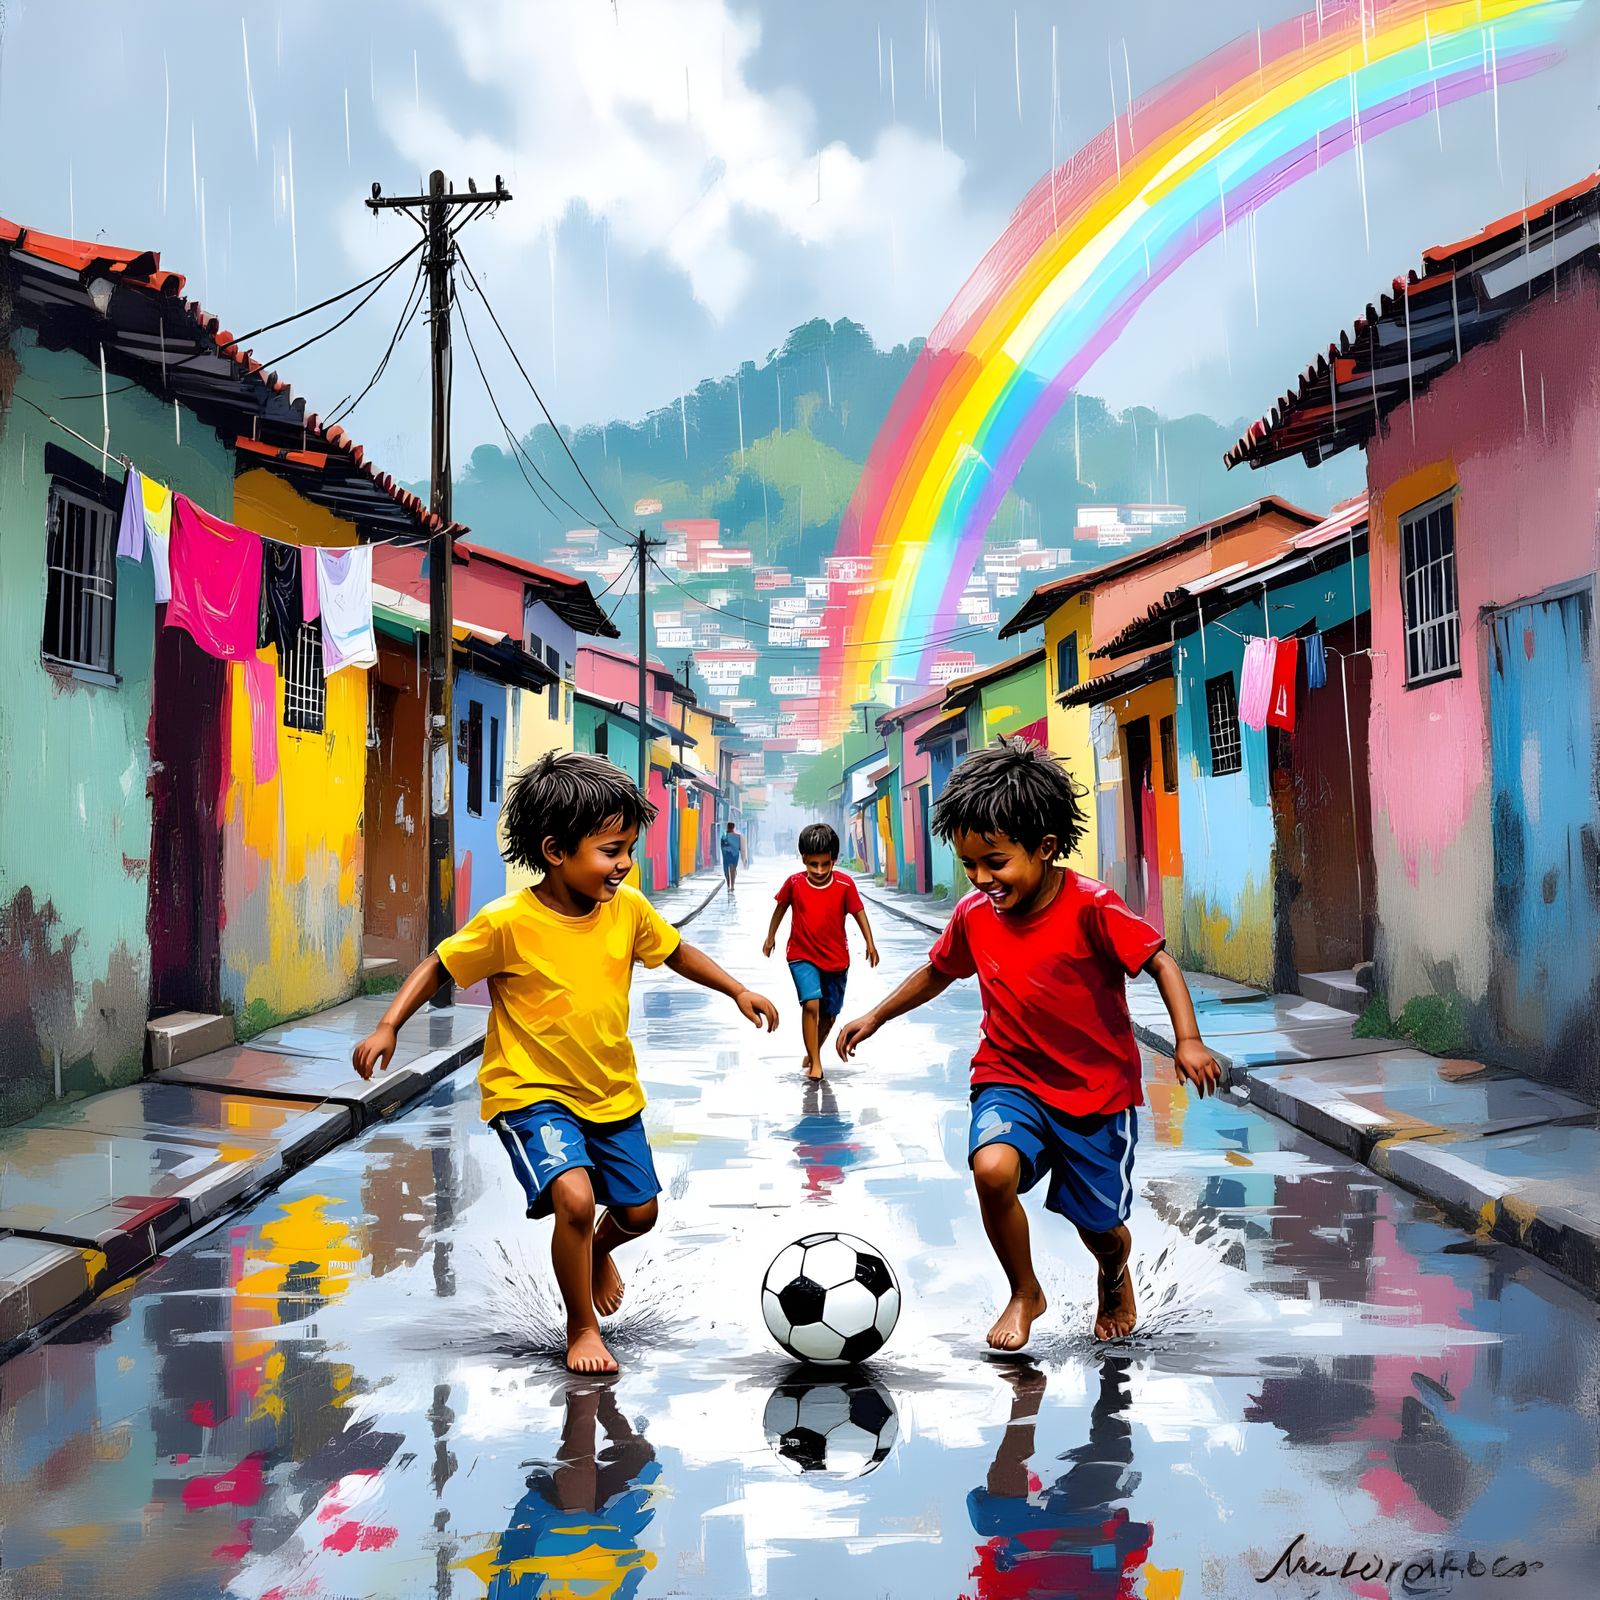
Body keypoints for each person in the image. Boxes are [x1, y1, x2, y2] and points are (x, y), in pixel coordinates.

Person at [351, 751, 778, 1375]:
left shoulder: (627, 909)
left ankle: (599, 1251)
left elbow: (676, 951)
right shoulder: (508, 923)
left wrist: (737, 988)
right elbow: (440, 964)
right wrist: (389, 1024)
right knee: (574, 1200)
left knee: (639, 1213)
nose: (624, 864)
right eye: (611, 850)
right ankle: (581, 1328)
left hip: (610, 1091)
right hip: (529, 1093)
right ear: (555, 851)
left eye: (628, 847)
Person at [835, 739, 1220, 1349]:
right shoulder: (973, 913)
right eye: (969, 865)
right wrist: (876, 1015)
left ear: (1043, 848)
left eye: (995, 862)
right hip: (1008, 1079)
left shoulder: (1094, 906)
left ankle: (1113, 1271)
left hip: (1096, 1095)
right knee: (992, 1169)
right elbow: (940, 969)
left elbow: (1161, 963)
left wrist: (1188, 1040)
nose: (982, 879)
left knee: (1102, 1230)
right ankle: (1024, 1290)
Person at [764, 822, 879, 1081]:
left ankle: (812, 1050)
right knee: (811, 1004)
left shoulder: (845, 885)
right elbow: (780, 909)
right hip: (801, 955)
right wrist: (771, 936)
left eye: (825, 864)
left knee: (829, 1014)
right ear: (804, 859)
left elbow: (859, 913)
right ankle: (816, 1063)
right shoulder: (794, 883)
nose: (819, 870)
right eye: (812, 864)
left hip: (836, 959)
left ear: (834, 860)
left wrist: (870, 943)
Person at [720, 819, 745, 892]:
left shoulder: (724, 835)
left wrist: (724, 853)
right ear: (733, 827)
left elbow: (721, 846)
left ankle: (728, 884)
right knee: (733, 870)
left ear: (727, 827)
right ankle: (732, 885)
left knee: (726, 870)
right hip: (735, 855)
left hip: (726, 855)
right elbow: (741, 847)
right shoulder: (738, 836)